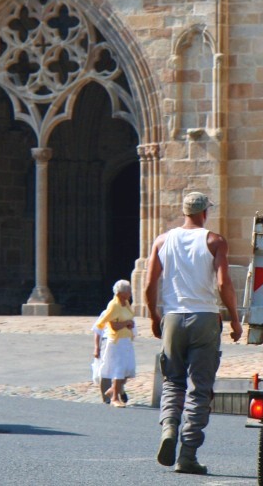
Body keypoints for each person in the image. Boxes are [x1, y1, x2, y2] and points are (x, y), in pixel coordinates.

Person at [144, 191, 243, 475]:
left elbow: (150, 285)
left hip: (173, 317)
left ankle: (168, 430)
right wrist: (235, 319)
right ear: (205, 213)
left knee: (173, 382)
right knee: (199, 389)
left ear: (184, 212)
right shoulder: (215, 241)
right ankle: (187, 454)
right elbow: (224, 284)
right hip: (205, 317)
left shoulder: (162, 240)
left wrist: (154, 316)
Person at [93, 279, 137, 408]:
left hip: (126, 341)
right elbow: (112, 325)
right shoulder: (114, 305)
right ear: (121, 293)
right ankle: (114, 397)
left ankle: (113, 390)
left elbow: (128, 318)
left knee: (128, 369)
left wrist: (130, 324)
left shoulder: (126, 304)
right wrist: (126, 323)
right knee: (118, 369)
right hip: (116, 341)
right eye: (128, 291)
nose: (130, 293)